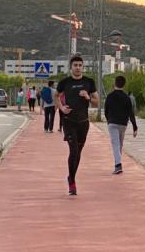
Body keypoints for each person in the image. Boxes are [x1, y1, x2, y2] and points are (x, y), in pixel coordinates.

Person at [55, 55, 99, 195]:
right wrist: (61, 108)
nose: (78, 67)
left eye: (80, 65)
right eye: (75, 65)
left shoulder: (89, 82)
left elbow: (97, 102)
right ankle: (72, 182)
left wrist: (88, 97)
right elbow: (56, 96)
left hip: (83, 123)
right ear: (71, 67)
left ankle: (71, 177)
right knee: (73, 151)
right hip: (69, 121)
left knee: (78, 153)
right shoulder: (65, 82)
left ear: (83, 67)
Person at [105, 76, 138, 174]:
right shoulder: (127, 98)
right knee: (119, 144)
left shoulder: (110, 96)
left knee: (115, 144)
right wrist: (135, 127)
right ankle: (117, 163)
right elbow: (131, 113)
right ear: (124, 84)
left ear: (114, 83)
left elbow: (106, 111)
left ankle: (118, 165)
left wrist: (108, 120)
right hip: (123, 124)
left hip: (112, 123)